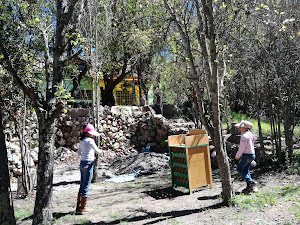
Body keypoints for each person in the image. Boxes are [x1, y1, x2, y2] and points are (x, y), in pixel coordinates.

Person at [75, 123, 102, 214]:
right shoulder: (90, 141)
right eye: (91, 132)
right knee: (86, 185)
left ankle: (78, 207)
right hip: (88, 164)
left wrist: (88, 156)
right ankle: (83, 208)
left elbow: (79, 153)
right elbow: (97, 151)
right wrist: (101, 151)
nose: (92, 134)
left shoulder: (82, 141)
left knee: (82, 184)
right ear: (87, 133)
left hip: (82, 163)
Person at [234, 120, 257, 193]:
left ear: (245, 128)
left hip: (246, 155)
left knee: (239, 169)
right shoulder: (250, 134)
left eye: (241, 127)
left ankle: (250, 181)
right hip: (251, 154)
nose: (239, 128)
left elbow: (242, 148)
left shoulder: (244, 136)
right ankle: (249, 187)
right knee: (246, 170)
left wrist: (237, 156)